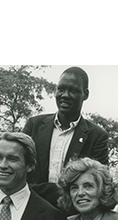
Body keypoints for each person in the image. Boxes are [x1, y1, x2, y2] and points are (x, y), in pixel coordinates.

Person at [23, 66, 109, 206]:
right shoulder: (34, 126)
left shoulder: (97, 136)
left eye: (73, 90)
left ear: (85, 94)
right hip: (32, 209)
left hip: (72, 215)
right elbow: (20, 169)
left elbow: (99, 183)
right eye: (61, 89)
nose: (65, 95)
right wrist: (55, 190)